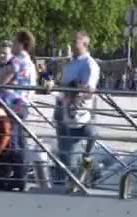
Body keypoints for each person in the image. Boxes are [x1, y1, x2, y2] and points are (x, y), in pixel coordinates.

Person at [0, 31, 37, 191]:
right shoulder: (30, 62)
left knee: (9, 142)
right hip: (21, 105)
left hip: (11, 105)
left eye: (15, 41)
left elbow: (2, 81)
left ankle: (17, 177)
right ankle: (7, 176)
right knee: (15, 141)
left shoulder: (17, 61)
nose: (13, 44)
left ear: (21, 43)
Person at [51, 31, 100, 183]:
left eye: (75, 42)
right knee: (63, 151)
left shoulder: (89, 64)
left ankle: (82, 175)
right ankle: (63, 180)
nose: (72, 44)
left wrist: (78, 98)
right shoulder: (71, 62)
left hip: (76, 113)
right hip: (63, 110)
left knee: (71, 151)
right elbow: (65, 84)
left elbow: (89, 89)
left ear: (84, 44)